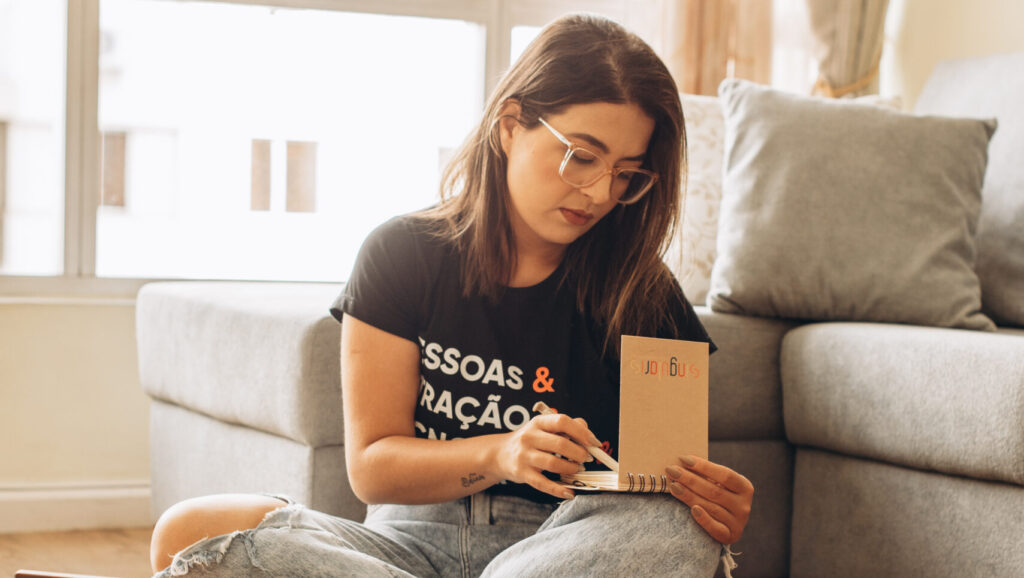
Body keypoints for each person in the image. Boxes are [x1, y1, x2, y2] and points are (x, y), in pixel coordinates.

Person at [149, 13, 754, 577]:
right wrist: (499, 454)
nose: (598, 192)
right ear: (510, 125)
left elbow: (657, 495)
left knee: (675, 528)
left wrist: (709, 508)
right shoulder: (401, 254)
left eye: (626, 173)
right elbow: (371, 468)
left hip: (560, 550)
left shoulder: (645, 294)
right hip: (400, 547)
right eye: (581, 156)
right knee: (190, 532)